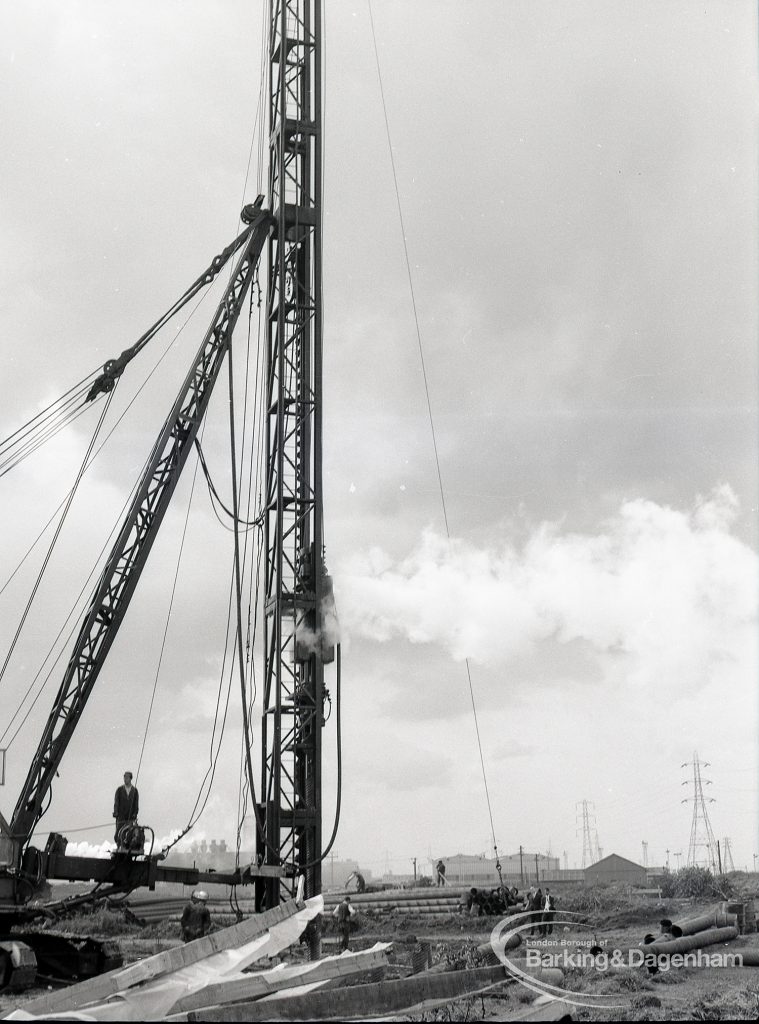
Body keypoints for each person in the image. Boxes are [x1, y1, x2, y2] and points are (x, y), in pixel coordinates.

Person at [113, 771, 139, 848]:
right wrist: (115, 812)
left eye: (127, 777)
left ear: (130, 779)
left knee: (129, 833)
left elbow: (136, 804)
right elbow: (116, 802)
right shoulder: (119, 790)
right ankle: (119, 847)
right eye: (124, 777)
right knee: (118, 834)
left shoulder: (135, 791)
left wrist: (135, 813)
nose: (125, 779)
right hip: (121, 816)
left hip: (130, 817)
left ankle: (127, 848)